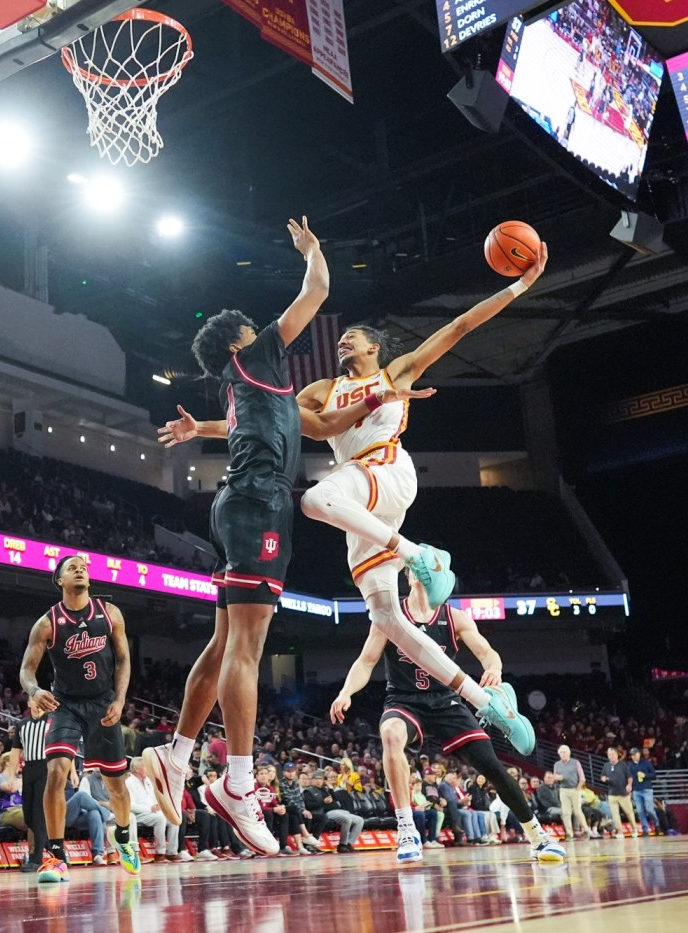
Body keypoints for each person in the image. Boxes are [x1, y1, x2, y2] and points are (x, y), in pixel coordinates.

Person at [160, 247, 548, 763]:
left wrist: (519, 286)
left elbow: (458, 327)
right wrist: (201, 429)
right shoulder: (323, 390)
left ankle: (422, 556)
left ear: (375, 347)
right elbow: (266, 415)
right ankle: (490, 703)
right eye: (340, 337)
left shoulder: (397, 373)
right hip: (359, 503)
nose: (343, 339)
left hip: (385, 472)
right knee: (388, 620)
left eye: (353, 335)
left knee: (314, 498)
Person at [138, 216, 334, 856]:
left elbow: (254, 428)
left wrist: (200, 430)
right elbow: (316, 292)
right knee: (247, 649)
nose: (261, 330)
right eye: (251, 329)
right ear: (239, 344)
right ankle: (237, 782)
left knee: (226, 643)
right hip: (258, 502)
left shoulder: (244, 386)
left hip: (242, 501)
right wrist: (312, 251)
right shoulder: (255, 358)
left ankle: (176, 755)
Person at [331, 566, 563, 864]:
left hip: (446, 702)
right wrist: (346, 692)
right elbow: (366, 662)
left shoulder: (455, 617)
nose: (422, 572)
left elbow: (487, 653)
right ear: (408, 576)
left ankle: (537, 836)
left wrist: (494, 669)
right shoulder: (390, 615)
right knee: (390, 734)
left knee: (493, 767)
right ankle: (407, 830)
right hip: (404, 700)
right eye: (417, 568)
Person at [19, 554, 138, 881]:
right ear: (60, 580)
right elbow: (27, 670)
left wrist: (120, 700)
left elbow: (124, 660)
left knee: (116, 785)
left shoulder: (109, 613)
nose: (80, 570)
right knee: (56, 772)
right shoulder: (47, 623)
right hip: (66, 704)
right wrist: (34, 691)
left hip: (103, 703)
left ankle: (124, 836)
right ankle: (55, 857)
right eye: (72, 568)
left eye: (84, 567)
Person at [12, 709, 50, 872]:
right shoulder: (22, 724)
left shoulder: (51, 722)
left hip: (45, 767)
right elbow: (15, 750)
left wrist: (73, 773)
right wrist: (11, 774)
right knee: (28, 815)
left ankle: (37, 858)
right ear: (30, 703)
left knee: (38, 813)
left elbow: (62, 748)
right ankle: (48, 845)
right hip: (29, 768)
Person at [301, 768, 364, 852]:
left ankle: (348, 844)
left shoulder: (325, 789)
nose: (319, 781)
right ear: (312, 780)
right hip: (328, 812)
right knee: (347, 819)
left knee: (360, 820)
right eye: (317, 779)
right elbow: (310, 806)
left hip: (339, 811)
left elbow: (335, 798)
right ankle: (342, 845)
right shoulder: (309, 791)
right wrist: (323, 802)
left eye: (321, 779)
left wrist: (330, 787)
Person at [553, 745, 595, 840]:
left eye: (564, 752)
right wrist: (557, 778)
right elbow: (554, 777)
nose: (563, 754)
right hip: (563, 790)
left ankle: (586, 830)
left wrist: (578, 789)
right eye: (561, 752)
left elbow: (582, 778)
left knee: (577, 811)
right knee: (566, 813)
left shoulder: (575, 762)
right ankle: (569, 834)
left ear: (569, 753)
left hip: (574, 789)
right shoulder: (556, 764)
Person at [600, 747, 637, 837]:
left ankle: (634, 829)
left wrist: (629, 785)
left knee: (629, 813)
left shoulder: (623, 765)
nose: (611, 756)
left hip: (623, 794)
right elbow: (602, 776)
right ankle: (620, 831)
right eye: (609, 755)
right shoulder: (606, 765)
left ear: (617, 755)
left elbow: (629, 777)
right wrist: (603, 778)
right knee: (615, 815)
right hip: (612, 794)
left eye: (613, 754)